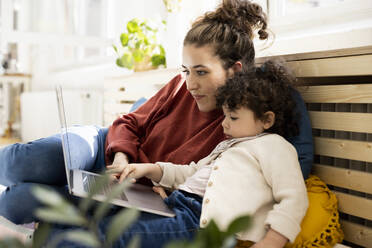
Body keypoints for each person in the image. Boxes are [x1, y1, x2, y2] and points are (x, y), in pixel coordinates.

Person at [0, 0, 313, 246]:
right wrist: (122, 157)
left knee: (16, 202)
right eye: (186, 70)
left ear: (235, 70)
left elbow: (286, 169)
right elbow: (129, 122)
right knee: (22, 161)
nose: (190, 82)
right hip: (106, 150)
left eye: (201, 71)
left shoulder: (247, 121)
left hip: (132, 194)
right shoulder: (181, 87)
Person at [115, 60, 308, 248]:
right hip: (178, 206)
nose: (224, 123)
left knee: (114, 235)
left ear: (267, 119)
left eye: (233, 117)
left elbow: (295, 197)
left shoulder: (275, 146)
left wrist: (273, 240)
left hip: (198, 222)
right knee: (109, 217)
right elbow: (192, 172)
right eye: (224, 115)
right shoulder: (228, 146)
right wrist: (150, 169)